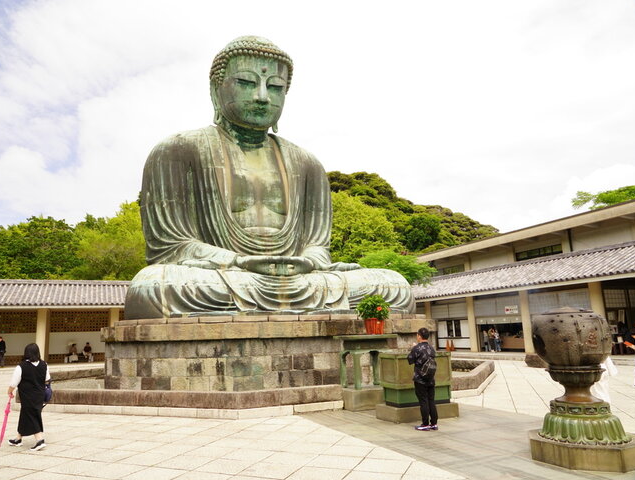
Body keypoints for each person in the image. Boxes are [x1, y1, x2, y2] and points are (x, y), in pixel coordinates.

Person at [124, 36, 414, 318]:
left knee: (392, 285)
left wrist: (309, 262)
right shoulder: (177, 151)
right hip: (225, 277)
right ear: (216, 88)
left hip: (300, 280)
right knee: (153, 286)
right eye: (247, 82)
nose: (262, 96)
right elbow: (172, 247)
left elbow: (316, 245)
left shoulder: (307, 163)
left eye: (275, 87)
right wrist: (236, 260)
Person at [7, 343, 49, 451]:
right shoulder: (44, 364)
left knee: (31, 415)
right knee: (26, 414)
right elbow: (46, 379)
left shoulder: (21, 367)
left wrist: (9, 392)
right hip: (40, 395)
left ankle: (39, 440)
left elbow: (13, 383)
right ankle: (18, 438)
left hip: (27, 395)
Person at [407, 327, 438, 431]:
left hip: (420, 379)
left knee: (423, 401)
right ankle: (434, 423)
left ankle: (425, 424)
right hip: (431, 378)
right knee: (431, 401)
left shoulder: (417, 348)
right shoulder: (431, 348)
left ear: (419, 336)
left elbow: (410, 359)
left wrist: (413, 348)